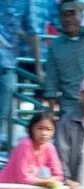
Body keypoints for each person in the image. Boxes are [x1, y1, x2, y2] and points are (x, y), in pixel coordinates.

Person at [0, 2, 37, 147]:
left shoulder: (24, 2)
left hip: (7, 65)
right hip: (7, 64)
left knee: (3, 114)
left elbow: (32, 31)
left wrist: (38, 66)